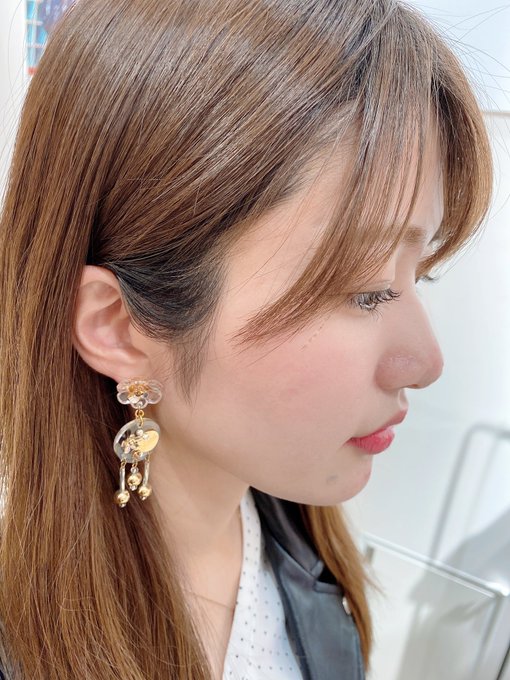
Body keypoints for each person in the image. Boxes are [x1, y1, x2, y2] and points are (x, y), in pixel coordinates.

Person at [0, 0, 493, 678]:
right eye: (365, 287)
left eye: (421, 276)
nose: (426, 362)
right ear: (118, 327)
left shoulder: (301, 547)